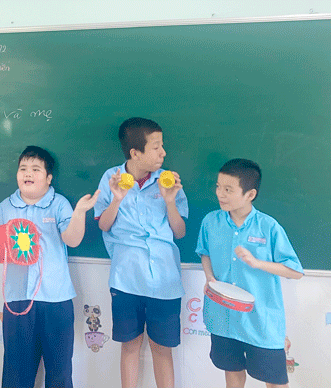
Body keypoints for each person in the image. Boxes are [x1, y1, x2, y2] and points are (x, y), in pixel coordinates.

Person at [0, 145, 99, 388]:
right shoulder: (7, 206)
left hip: (56, 299)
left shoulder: (59, 204)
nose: (28, 173)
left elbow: (72, 239)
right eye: (23, 168)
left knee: (59, 372)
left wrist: (79, 213)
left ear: (48, 178)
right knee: (16, 373)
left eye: (36, 169)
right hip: (17, 300)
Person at [93, 117, 188, 388]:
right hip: (126, 279)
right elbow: (104, 224)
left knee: (162, 348)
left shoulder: (168, 181)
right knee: (130, 346)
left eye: (162, 146)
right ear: (135, 153)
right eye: (156, 147)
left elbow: (179, 232)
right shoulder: (111, 179)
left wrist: (170, 201)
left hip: (165, 281)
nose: (163, 153)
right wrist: (117, 199)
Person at [196, 158, 303, 388]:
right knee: (232, 373)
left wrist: (257, 263)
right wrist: (209, 277)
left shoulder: (269, 226)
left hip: (261, 321)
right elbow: (204, 252)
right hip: (223, 317)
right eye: (218, 187)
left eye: (228, 189)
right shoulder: (210, 222)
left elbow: (295, 271)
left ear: (250, 194)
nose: (220, 194)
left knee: (274, 380)